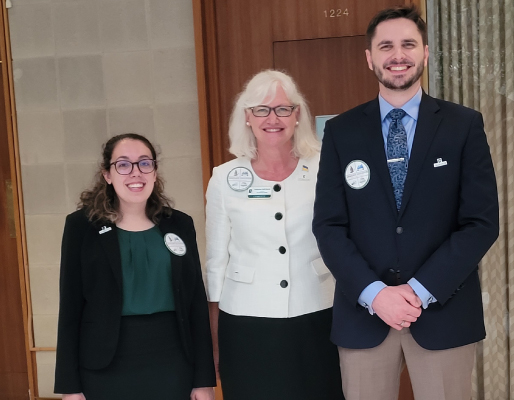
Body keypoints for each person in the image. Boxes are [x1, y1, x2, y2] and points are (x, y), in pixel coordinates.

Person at [312, 5, 499, 400]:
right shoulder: (341, 132)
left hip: (443, 312)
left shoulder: (463, 125)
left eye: (408, 44)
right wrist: (375, 293)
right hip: (364, 316)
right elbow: (329, 226)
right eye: (386, 46)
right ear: (370, 57)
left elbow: (481, 222)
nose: (398, 55)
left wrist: (419, 289)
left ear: (426, 53)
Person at [205, 70, 344, 400]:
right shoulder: (224, 178)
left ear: (297, 115)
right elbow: (215, 264)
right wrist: (213, 341)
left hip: (319, 315)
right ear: (247, 118)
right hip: (247, 324)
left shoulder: (326, 166)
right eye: (261, 109)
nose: (273, 118)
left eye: (283, 108)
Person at [54, 133, 216, 400]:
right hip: (105, 364)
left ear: (154, 171)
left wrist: (203, 380)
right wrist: (70, 387)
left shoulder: (179, 224)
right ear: (107, 174)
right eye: (123, 164)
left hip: (173, 361)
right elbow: (70, 308)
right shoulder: (81, 227)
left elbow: (196, 303)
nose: (135, 173)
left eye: (144, 163)